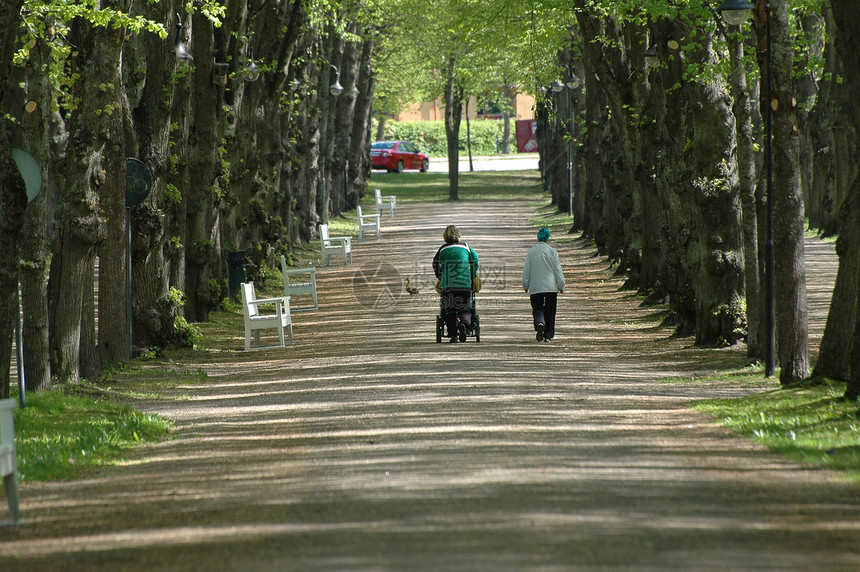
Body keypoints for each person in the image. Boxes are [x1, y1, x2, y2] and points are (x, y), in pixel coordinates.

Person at [433, 225, 479, 343]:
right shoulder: (466, 247)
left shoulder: (442, 249)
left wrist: (441, 277)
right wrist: (472, 276)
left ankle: (453, 335)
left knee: (450, 309)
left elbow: (435, 264)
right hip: (464, 283)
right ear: (458, 234)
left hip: (448, 284)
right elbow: (475, 259)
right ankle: (464, 324)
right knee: (465, 308)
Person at [522, 227, 565, 342]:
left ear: (538, 237)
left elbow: (526, 271)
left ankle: (540, 322)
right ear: (548, 238)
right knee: (551, 310)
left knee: (537, 308)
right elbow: (558, 270)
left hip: (535, 287)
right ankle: (548, 335)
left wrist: (525, 285)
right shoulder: (552, 252)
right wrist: (561, 285)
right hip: (551, 287)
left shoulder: (531, 252)